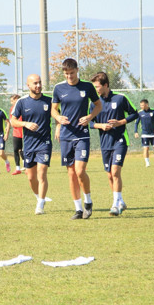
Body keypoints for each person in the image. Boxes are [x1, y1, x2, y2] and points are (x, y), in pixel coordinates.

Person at [51, 58, 102, 219]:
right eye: (66, 74)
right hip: (66, 136)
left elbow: (98, 105)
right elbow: (53, 109)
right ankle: (78, 209)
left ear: (77, 70)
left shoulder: (87, 86)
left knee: (80, 171)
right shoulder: (58, 88)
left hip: (82, 135)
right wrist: (58, 118)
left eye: (72, 73)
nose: (69, 76)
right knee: (71, 174)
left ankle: (88, 201)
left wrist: (90, 117)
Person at [89, 72, 139, 216]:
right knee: (110, 175)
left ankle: (115, 205)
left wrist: (120, 122)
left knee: (115, 171)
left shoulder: (120, 98)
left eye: (97, 87)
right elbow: (89, 122)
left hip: (120, 140)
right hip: (105, 143)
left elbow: (135, 113)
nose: (95, 90)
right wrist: (101, 126)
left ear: (105, 85)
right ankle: (120, 200)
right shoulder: (94, 103)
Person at [10, 74, 53, 215]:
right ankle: (39, 197)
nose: (38, 85)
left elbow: (57, 115)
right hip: (29, 145)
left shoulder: (49, 101)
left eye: (39, 82)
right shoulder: (22, 102)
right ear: (28, 85)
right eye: (35, 83)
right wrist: (25, 124)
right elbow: (13, 121)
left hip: (44, 143)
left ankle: (40, 206)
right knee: (30, 177)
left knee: (42, 173)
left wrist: (59, 126)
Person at [134, 98, 154, 167]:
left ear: (147, 104)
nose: (141, 106)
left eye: (142, 105)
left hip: (153, 134)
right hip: (144, 134)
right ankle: (147, 162)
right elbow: (136, 123)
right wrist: (136, 132)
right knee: (146, 148)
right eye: (140, 105)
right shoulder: (139, 113)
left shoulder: (153, 111)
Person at [8, 94, 24, 175]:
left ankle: (27, 166)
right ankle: (18, 168)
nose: (12, 102)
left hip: (24, 131)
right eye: (11, 101)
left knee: (23, 150)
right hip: (16, 132)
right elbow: (11, 120)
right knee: (16, 149)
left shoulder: (24, 107)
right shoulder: (12, 109)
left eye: (13, 100)